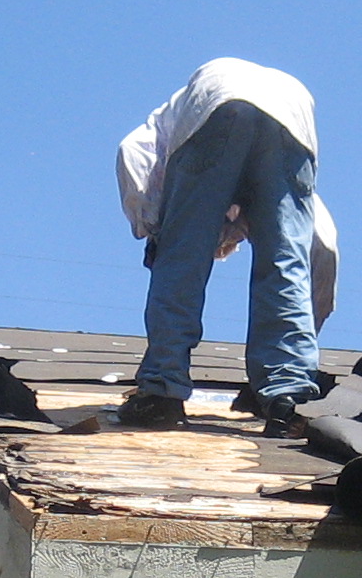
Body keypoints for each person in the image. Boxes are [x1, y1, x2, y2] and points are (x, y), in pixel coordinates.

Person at [114, 57, 339, 433]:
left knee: (182, 258)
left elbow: (131, 150)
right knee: (286, 262)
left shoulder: (174, 117)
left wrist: (154, 228)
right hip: (292, 117)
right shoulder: (300, 205)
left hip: (216, 106)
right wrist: (296, 358)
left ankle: (161, 395)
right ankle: (287, 400)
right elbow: (317, 254)